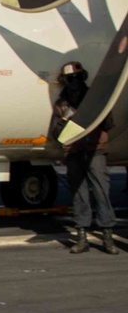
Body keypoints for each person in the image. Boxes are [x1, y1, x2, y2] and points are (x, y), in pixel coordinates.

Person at [51, 61, 118, 255]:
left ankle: (107, 236)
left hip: (95, 150)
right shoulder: (62, 104)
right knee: (80, 195)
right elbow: (56, 131)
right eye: (70, 79)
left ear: (83, 78)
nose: (74, 82)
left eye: (77, 78)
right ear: (64, 81)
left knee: (101, 193)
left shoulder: (96, 99)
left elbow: (108, 122)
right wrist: (67, 124)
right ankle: (82, 236)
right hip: (74, 152)